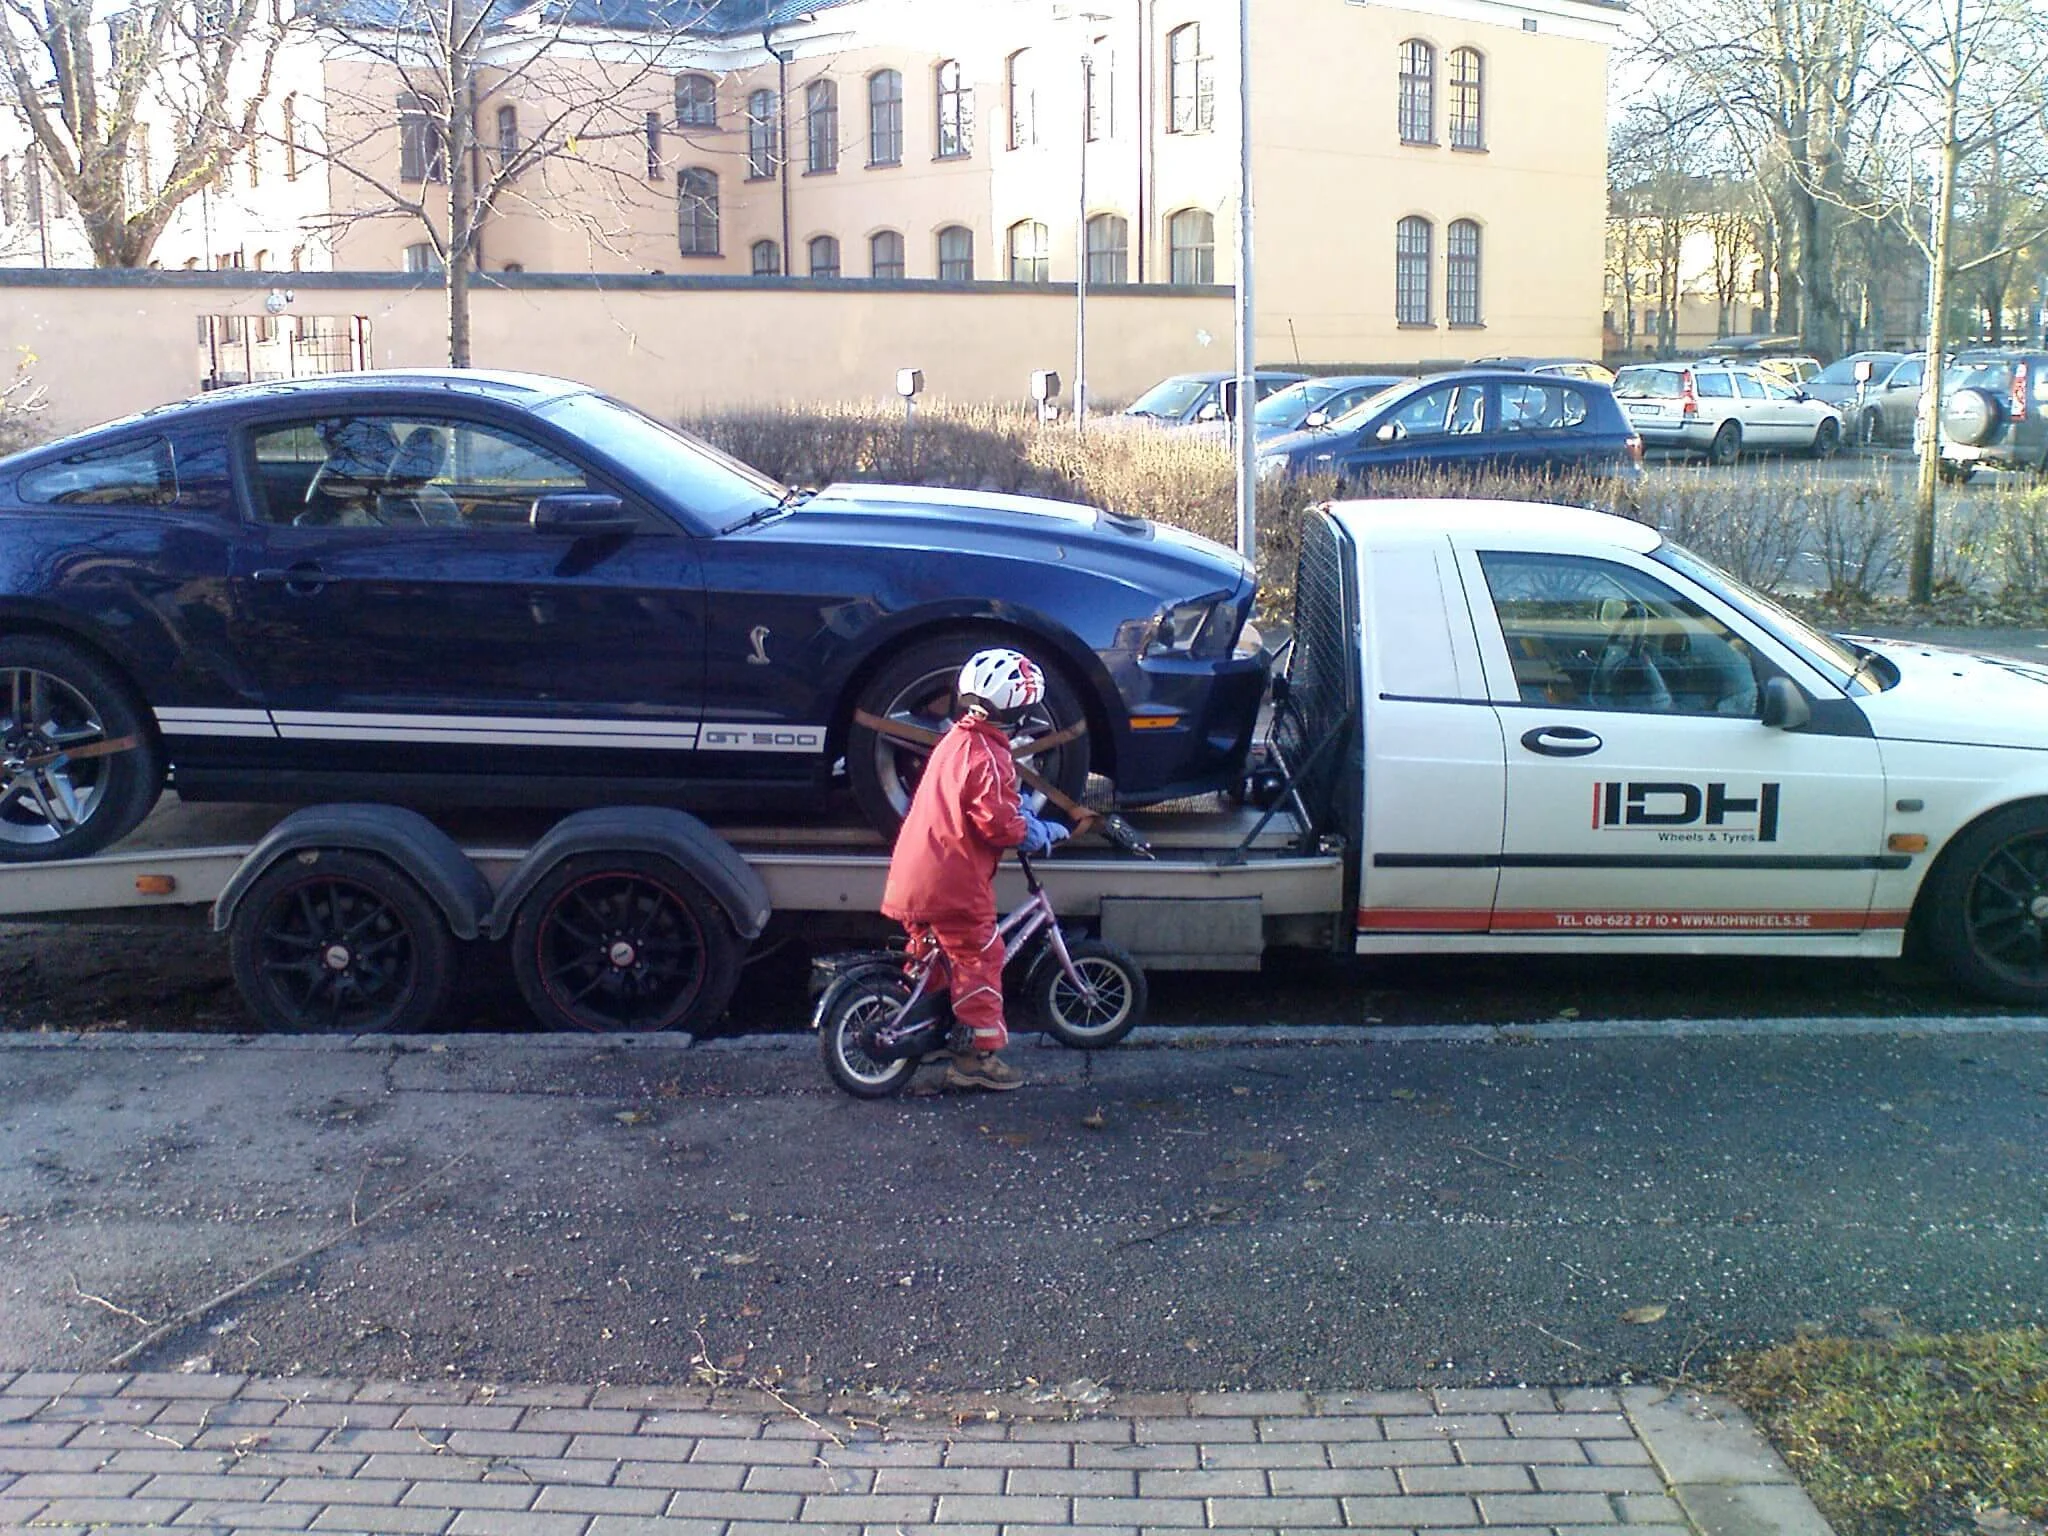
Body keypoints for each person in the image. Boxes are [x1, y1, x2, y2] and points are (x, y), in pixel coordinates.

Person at [880, 647, 1073, 1092]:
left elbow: (977, 801)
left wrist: (1017, 806)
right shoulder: (992, 757)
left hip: (914, 873)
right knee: (979, 958)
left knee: (930, 958)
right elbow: (1001, 826)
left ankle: (922, 1033)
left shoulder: (955, 742)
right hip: (954, 883)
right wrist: (1042, 832)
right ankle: (975, 1061)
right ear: (1017, 713)